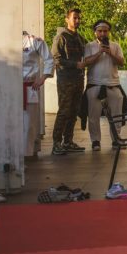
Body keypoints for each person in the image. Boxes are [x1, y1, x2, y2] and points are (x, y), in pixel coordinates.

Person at [83, 20, 125, 150]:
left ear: (109, 32)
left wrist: (110, 53)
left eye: (105, 31)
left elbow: (121, 62)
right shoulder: (89, 46)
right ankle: (95, 141)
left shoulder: (115, 46)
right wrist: (99, 52)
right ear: (95, 32)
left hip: (113, 84)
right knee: (93, 115)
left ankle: (116, 139)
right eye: (100, 31)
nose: (102, 33)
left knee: (117, 114)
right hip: (94, 84)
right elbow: (86, 62)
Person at [51, 8, 87, 155]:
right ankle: (56, 143)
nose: (77, 21)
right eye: (74, 18)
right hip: (66, 80)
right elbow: (56, 59)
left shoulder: (80, 38)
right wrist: (75, 64)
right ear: (67, 19)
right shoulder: (61, 37)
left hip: (79, 80)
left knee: (74, 111)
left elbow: (86, 55)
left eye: (79, 18)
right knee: (64, 111)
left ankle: (68, 141)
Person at [22, 30, 53, 159]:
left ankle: (27, 154)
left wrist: (43, 78)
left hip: (30, 86)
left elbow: (49, 59)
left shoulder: (34, 41)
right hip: (10, 87)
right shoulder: (4, 39)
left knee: (29, 121)